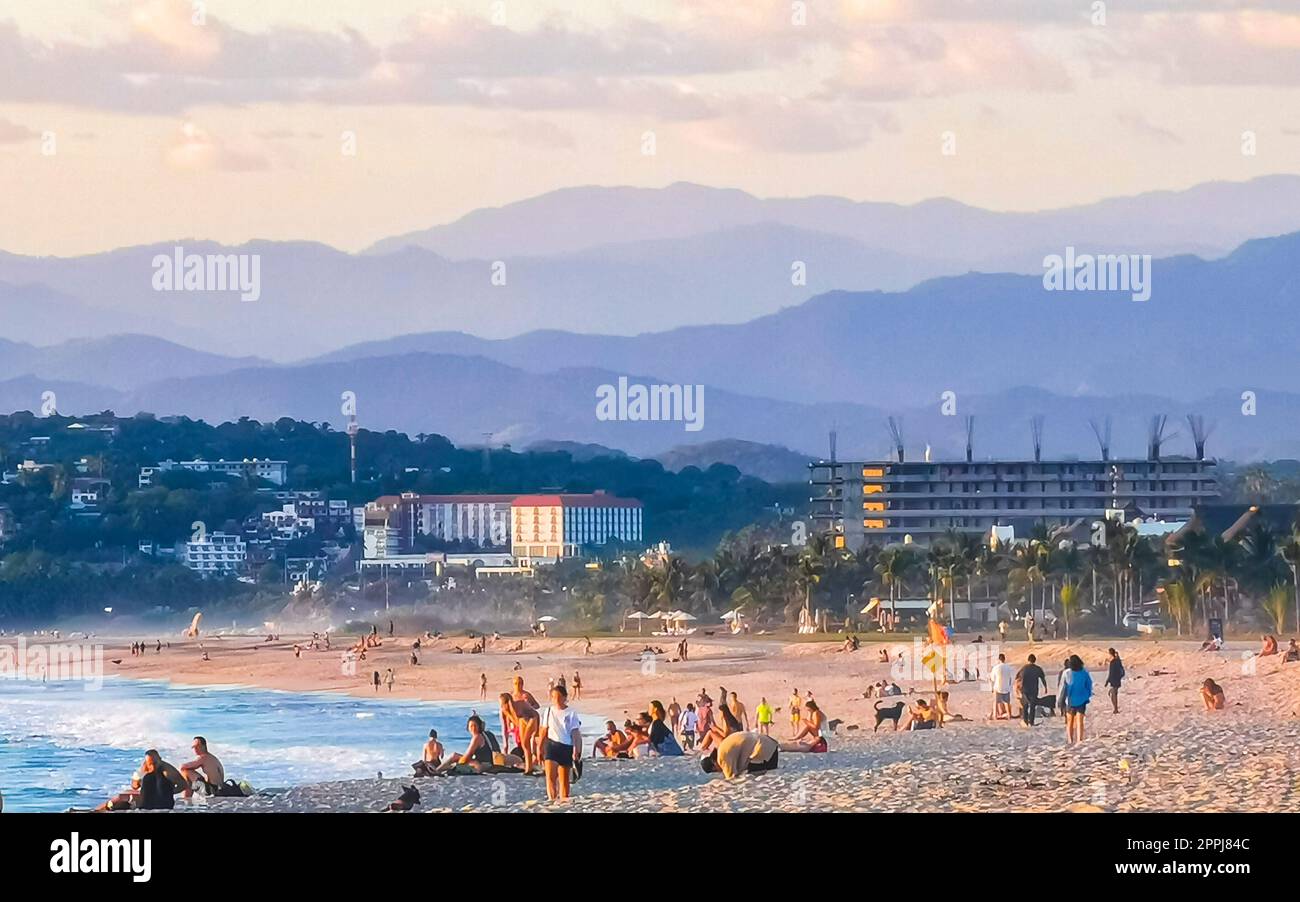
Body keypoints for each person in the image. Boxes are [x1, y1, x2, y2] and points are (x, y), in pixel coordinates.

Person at [538, 684, 582, 801]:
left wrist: (576, 749)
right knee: (550, 777)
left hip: (566, 747)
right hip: (552, 746)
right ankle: (552, 801)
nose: (555, 700)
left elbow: (575, 733)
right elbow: (543, 730)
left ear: (564, 697)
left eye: (558, 697)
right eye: (553, 697)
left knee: (564, 780)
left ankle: (563, 802)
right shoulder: (548, 711)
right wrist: (539, 747)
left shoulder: (571, 713)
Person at [433, 715, 501, 774]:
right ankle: (438, 770)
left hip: (481, 766)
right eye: (471, 726)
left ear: (479, 727)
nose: (473, 728)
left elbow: (467, 757)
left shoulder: (477, 737)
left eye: (475, 726)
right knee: (455, 758)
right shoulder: (486, 734)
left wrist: (457, 763)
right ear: (468, 728)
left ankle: (436, 771)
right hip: (489, 764)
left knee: (454, 756)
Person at [703, 731, 779, 780]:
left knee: (754, 781)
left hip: (762, 750)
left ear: (713, 763)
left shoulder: (722, 757)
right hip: (771, 746)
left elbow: (731, 780)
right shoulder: (723, 747)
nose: (720, 771)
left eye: (716, 770)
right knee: (770, 779)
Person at [498, 691, 541, 774]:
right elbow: (507, 727)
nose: (500, 706)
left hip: (533, 718)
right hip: (523, 721)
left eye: (501, 703)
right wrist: (505, 745)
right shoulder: (505, 711)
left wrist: (536, 732)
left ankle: (531, 766)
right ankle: (529, 767)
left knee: (526, 743)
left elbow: (534, 714)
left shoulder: (519, 704)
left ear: (507, 702)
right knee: (524, 745)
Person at [1058, 654, 1093, 744]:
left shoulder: (1066, 673)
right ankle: (1079, 740)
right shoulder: (1084, 672)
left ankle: (1070, 740)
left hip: (1070, 700)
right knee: (1079, 721)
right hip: (1082, 699)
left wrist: (1059, 701)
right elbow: (1089, 684)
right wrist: (1088, 695)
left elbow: (1062, 687)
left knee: (1070, 721)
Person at [1015, 654, 1047, 727]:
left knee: (1025, 706)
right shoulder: (1038, 668)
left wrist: (1017, 688)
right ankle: (1031, 722)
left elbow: (1017, 678)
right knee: (1032, 706)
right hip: (1034, 690)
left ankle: (1025, 721)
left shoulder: (1024, 668)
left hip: (1025, 689)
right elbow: (1043, 679)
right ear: (1034, 660)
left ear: (1028, 660)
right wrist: (1045, 687)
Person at [990, 653, 1016, 720]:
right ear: (1004, 659)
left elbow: (992, 678)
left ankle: (995, 716)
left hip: (997, 687)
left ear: (999, 660)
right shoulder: (1009, 667)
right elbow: (1011, 678)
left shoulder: (995, 667)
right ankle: (1009, 715)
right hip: (1006, 687)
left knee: (995, 702)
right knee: (1007, 702)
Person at [1104, 648, 1125, 714]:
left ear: (1110, 653)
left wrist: (1107, 681)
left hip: (1114, 679)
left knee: (1114, 695)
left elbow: (1111, 673)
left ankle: (1115, 709)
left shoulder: (1113, 662)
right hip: (1118, 679)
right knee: (1114, 694)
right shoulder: (1118, 660)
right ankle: (1115, 709)